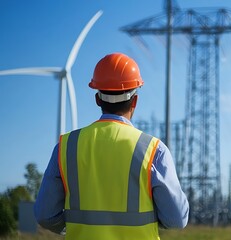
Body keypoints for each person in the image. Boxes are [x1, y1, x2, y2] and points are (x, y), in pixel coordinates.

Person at [34, 52, 189, 240]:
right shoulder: (153, 150)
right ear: (135, 101)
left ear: (97, 99)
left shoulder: (67, 146)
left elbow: (45, 215)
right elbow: (176, 218)